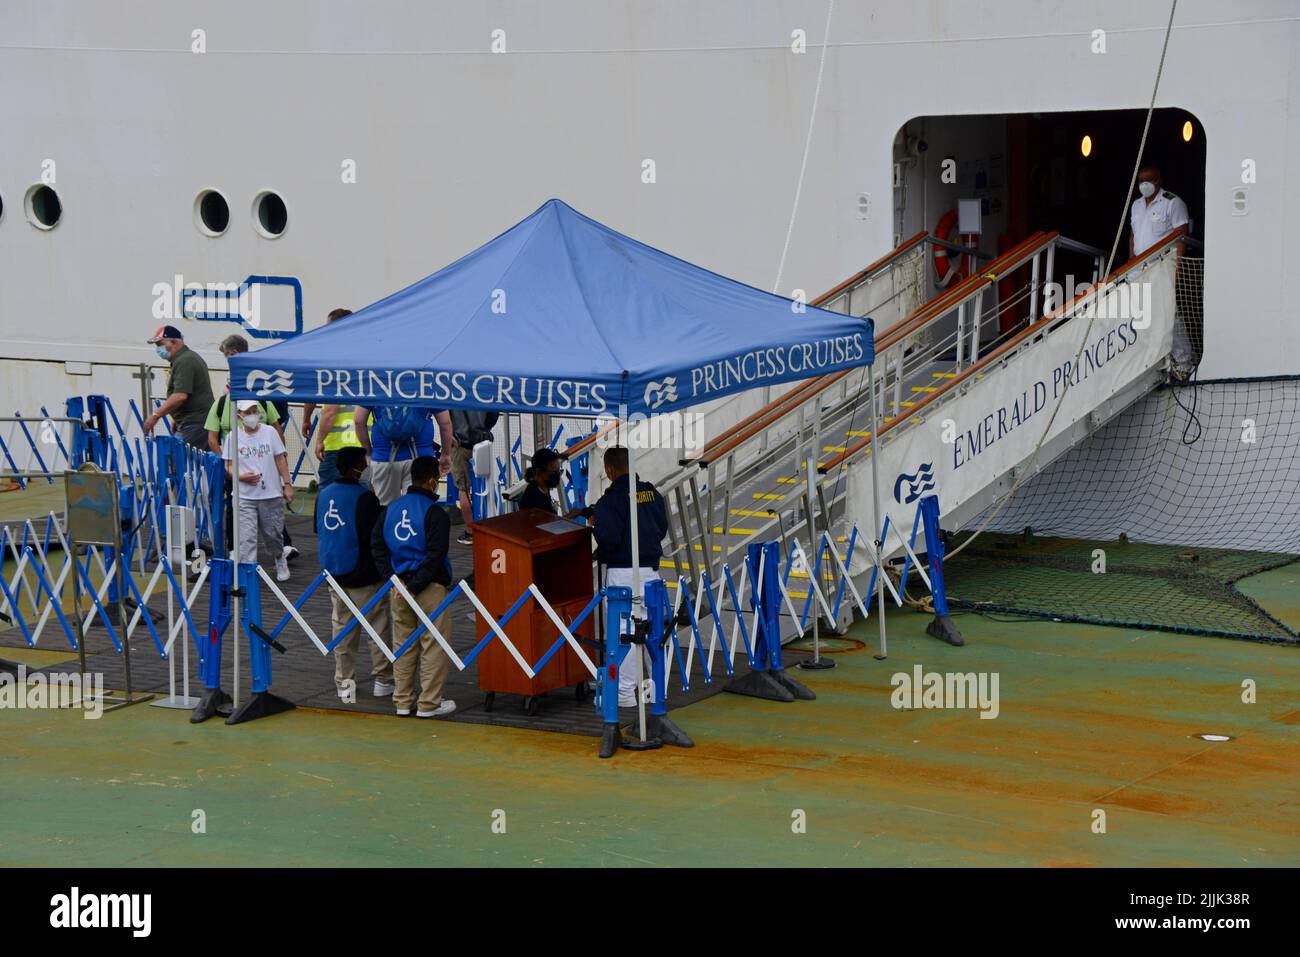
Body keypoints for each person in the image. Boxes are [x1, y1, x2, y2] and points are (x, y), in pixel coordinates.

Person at [371, 456, 456, 718]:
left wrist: (394, 580)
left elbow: (377, 546)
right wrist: (416, 584)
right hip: (428, 587)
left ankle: (403, 700)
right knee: (434, 644)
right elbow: (436, 554)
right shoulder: (435, 514)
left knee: (403, 645)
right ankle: (429, 703)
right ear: (431, 481)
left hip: (398, 586)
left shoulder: (389, 509)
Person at [587, 446, 669, 709]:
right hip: (651, 572)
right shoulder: (651, 492)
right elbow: (662, 527)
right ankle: (658, 690)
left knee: (626, 635)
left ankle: (624, 693)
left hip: (623, 573)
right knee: (653, 633)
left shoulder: (610, 500)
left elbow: (608, 537)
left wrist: (594, 526)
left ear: (610, 470)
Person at [207, 334, 298, 562]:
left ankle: (282, 546)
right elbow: (213, 438)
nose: (228, 361)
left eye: (230, 356)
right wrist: (228, 462)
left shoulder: (263, 394)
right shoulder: (222, 404)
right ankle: (234, 548)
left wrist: (281, 462)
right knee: (235, 506)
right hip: (237, 464)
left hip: (263, 461)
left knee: (272, 505)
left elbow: (276, 429)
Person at [316, 446, 394, 700]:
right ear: (356, 468)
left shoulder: (324, 494)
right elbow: (374, 536)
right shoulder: (365, 498)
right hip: (363, 574)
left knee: (342, 629)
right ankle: (383, 679)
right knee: (377, 627)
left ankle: (344, 682)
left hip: (334, 572)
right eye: (364, 462)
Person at [1128, 166, 1195, 376]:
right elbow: (1133, 234)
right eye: (1141, 180)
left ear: (1158, 180)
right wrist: (1131, 261)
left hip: (1163, 265)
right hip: (1138, 268)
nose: (1144, 184)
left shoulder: (1172, 203)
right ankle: (1153, 359)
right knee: (1140, 313)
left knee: (1168, 313)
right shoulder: (1137, 205)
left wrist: (1179, 266)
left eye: (1148, 180)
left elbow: (1181, 235)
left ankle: (1183, 362)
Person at [223, 399, 294, 581]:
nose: (252, 415)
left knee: (273, 534)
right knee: (246, 539)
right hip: (244, 495)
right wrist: (240, 477)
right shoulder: (233, 437)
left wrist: (287, 484)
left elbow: (280, 459)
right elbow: (228, 466)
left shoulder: (270, 432)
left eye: (254, 410)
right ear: (239, 415)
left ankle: (279, 558)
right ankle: (249, 572)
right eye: (248, 412)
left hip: (270, 493)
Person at [305, 309, 363, 489]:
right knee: (361, 502)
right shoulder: (364, 358)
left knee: (330, 497)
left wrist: (319, 439)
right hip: (363, 443)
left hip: (337, 447)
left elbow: (330, 410)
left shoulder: (331, 360)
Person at [354, 404, 454, 506]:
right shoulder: (427, 387)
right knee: (418, 507)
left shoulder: (376, 388)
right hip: (422, 459)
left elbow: (359, 421)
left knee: (386, 509)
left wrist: (369, 453)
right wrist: (446, 454)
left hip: (384, 457)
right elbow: (445, 423)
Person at [142, 324, 214, 449]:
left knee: (182, 463)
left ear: (174, 342)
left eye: (160, 344)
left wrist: (155, 416)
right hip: (192, 423)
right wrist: (177, 419)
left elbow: (180, 396)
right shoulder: (185, 359)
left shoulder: (185, 361)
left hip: (195, 424)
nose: (159, 349)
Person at [448, 408, 499, 543]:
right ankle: (488, 524)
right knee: (487, 483)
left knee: (463, 488)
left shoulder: (451, 391)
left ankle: (470, 531)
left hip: (460, 444)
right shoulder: (480, 388)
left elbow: (444, 416)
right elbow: (493, 413)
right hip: (483, 441)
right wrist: (484, 428)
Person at [517, 447, 562, 515]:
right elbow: (549, 522)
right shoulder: (533, 499)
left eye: (559, 471)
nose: (557, 475)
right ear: (539, 472)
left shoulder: (543, 488)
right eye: (554, 471)